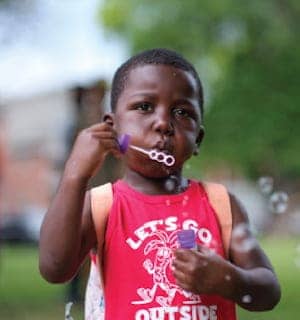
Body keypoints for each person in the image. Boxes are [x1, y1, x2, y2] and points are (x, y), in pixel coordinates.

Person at [39, 48, 281, 319]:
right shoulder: (101, 205)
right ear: (113, 128)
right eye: (144, 107)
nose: (164, 123)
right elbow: (54, 269)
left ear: (197, 139)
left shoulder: (221, 204)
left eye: (182, 112)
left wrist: (228, 279)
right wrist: (75, 175)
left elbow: (269, 292)